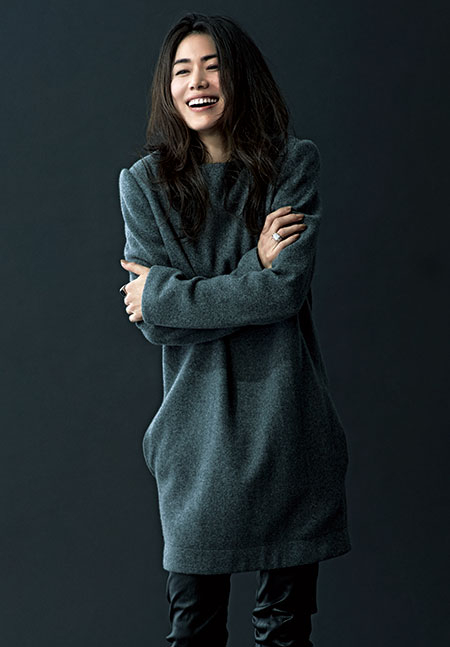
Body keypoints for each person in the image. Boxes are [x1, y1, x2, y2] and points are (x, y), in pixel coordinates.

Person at [118, 12, 351, 647]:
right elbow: (157, 328)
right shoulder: (144, 185)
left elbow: (284, 293)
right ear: (168, 87)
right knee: (193, 631)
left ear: (240, 77)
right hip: (194, 447)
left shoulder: (291, 164)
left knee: (285, 631)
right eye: (182, 70)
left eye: (213, 66)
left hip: (289, 433)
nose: (197, 82)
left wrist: (166, 294)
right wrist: (255, 269)